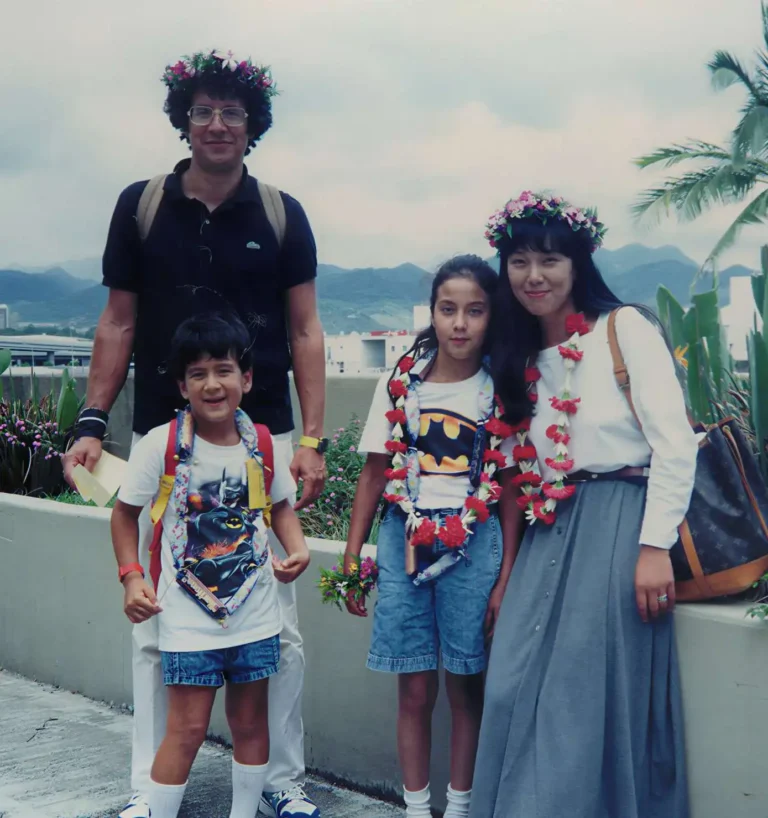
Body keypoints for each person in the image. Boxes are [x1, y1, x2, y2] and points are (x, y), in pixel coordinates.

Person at [63, 49, 326, 818]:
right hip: (164, 442)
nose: (217, 125)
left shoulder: (281, 212)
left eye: (232, 113)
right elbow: (117, 319)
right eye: (204, 111)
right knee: (155, 621)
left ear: (254, 126)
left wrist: (309, 437)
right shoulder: (141, 205)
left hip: (260, 439)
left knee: (279, 624)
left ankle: (279, 779)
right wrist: (90, 420)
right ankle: (152, 790)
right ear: (184, 120)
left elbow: (306, 331)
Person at [468, 192, 698, 818]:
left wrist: (654, 548)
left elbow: (675, 444)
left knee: (581, 693)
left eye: (550, 260)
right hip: (549, 528)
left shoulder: (624, 328)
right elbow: (517, 469)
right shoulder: (514, 358)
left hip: (619, 521)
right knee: (510, 680)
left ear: (578, 264)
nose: (534, 276)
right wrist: (509, 570)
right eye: (518, 262)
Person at [112, 313, 311, 818]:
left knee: (250, 725)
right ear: (181, 385)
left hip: (255, 614)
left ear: (246, 378)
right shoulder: (161, 445)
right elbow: (124, 514)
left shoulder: (263, 444)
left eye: (224, 370)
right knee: (187, 728)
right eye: (197, 374)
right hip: (187, 619)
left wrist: (297, 547)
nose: (212, 384)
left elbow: (281, 507)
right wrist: (132, 577)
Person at [344, 255, 518, 818]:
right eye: (449, 310)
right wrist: (353, 557)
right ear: (433, 313)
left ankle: (461, 808)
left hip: (476, 545)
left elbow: (512, 491)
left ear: (492, 317)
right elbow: (375, 472)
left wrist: (505, 578)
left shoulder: (502, 389)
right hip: (403, 541)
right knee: (413, 688)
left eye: (475, 311)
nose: (460, 324)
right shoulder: (401, 383)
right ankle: (416, 809)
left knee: (467, 684)